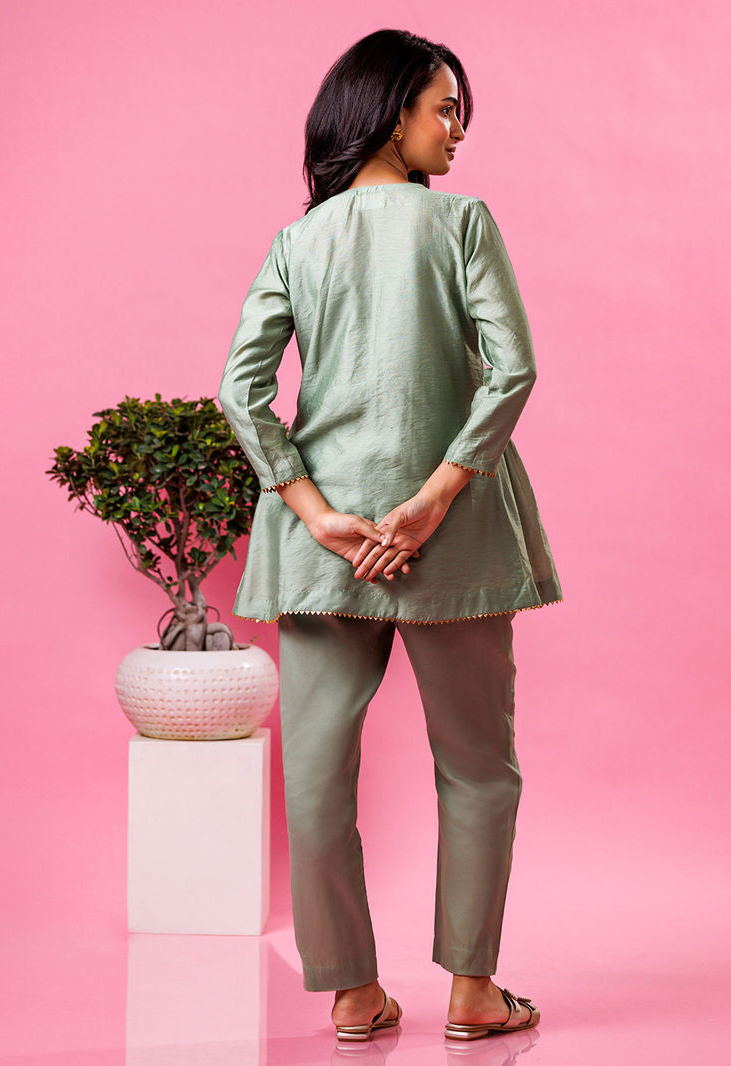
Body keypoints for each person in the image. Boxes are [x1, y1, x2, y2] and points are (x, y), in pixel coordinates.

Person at [218, 28, 563, 1043]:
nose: (456, 130)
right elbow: (512, 370)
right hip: (454, 536)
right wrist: (435, 496)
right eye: (444, 108)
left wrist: (316, 511)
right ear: (390, 109)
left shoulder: (298, 242)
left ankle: (352, 994)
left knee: (316, 774)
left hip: (321, 545)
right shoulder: (460, 223)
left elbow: (241, 391)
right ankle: (473, 991)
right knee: (478, 765)